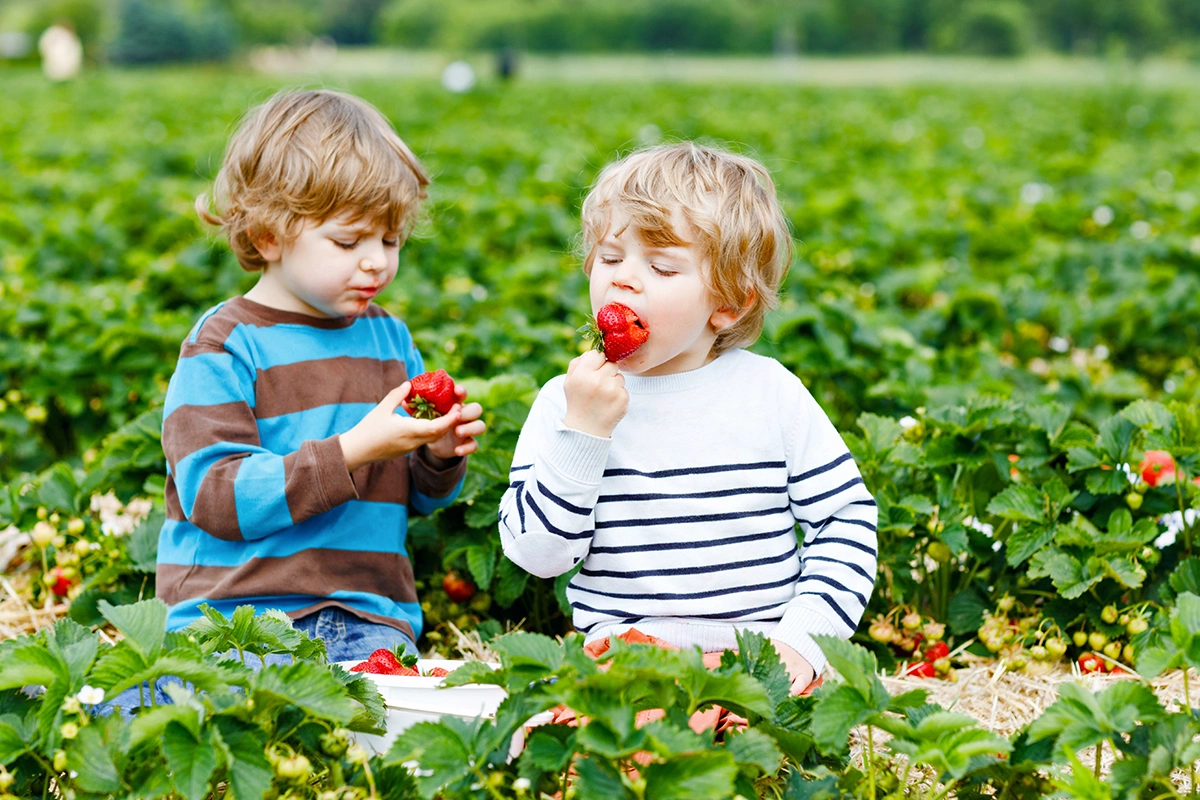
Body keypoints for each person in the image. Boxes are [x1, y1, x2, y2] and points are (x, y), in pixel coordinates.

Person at [498, 142, 877, 694]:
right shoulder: (566, 404)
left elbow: (846, 520)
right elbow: (538, 556)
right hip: (624, 665)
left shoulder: (770, 394)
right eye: (608, 258)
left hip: (761, 663)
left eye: (660, 266)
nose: (623, 279)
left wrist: (802, 640)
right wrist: (582, 435)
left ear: (728, 303)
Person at [154, 88, 486, 664]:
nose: (377, 261)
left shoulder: (389, 340)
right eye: (347, 241)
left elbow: (414, 497)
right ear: (267, 236)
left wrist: (437, 456)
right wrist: (354, 450)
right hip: (236, 618)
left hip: (367, 615)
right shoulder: (226, 345)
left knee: (380, 724)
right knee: (222, 713)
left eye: (390, 240)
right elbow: (216, 496)